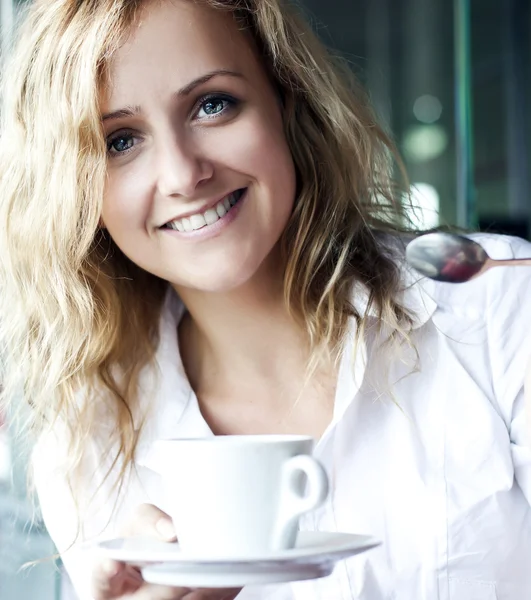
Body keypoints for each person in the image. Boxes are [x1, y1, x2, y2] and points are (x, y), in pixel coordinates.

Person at [0, 0, 530, 599]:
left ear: (287, 99)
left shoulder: (497, 306)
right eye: (120, 141)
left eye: (212, 104)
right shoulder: (90, 443)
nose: (181, 174)